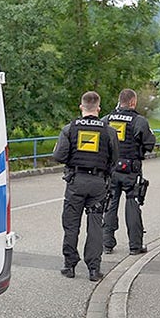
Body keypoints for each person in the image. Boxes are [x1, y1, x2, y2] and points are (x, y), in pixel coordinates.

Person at [52, 91, 118, 282]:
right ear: (98, 108)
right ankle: (94, 269)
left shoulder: (70, 129)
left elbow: (59, 156)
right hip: (98, 184)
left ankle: (69, 265)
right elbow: (114, 158)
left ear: (81, 107)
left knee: (71, 224)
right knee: (95, 225)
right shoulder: (109, 130)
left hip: (76, 182)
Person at [102, 88, 156, 255]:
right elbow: (149, 144)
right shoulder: (139, 121)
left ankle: (107, 244)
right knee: (132, 203)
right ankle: (135, 246)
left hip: (111, 169)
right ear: (132, 102)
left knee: (110, 203)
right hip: (131, 170)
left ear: (120, 101)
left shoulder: (107, 119)